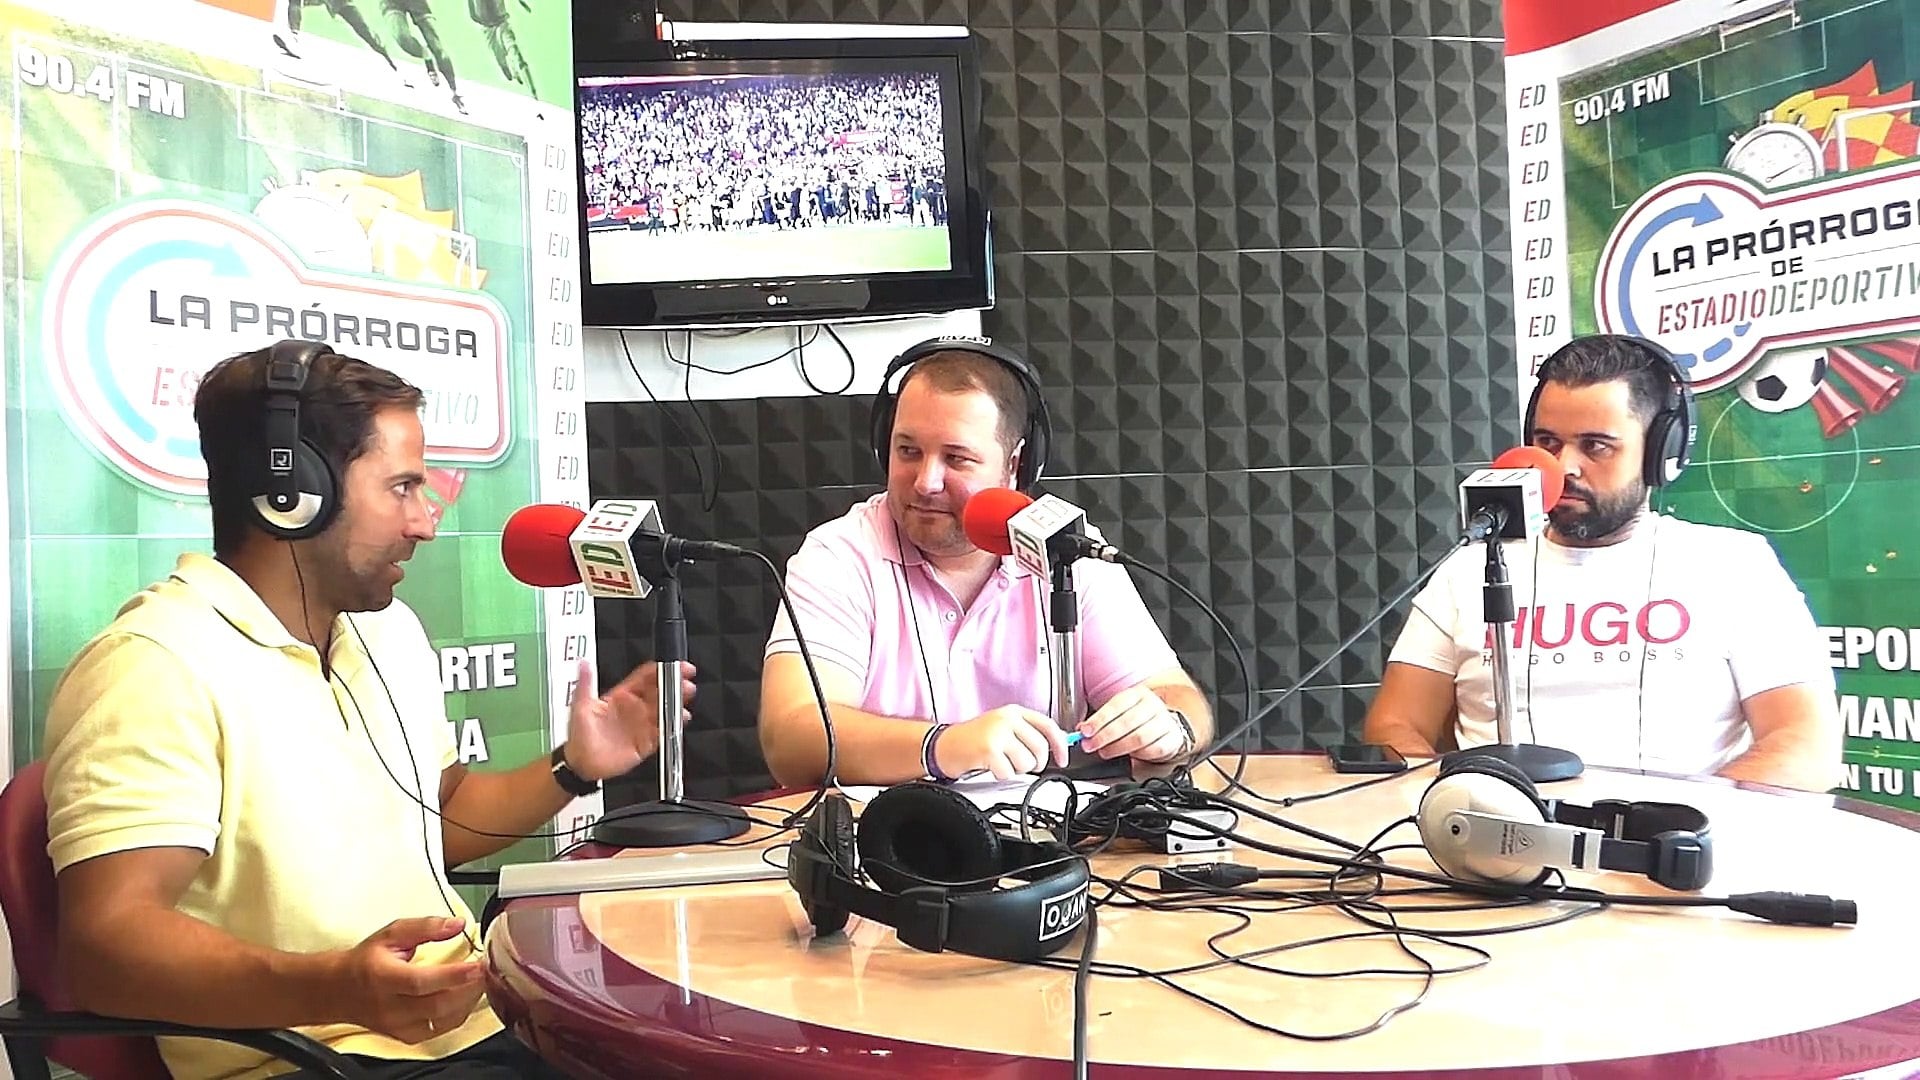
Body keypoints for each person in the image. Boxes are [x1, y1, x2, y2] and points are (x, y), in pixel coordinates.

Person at [42, 341, 687, 1079]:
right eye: (402, 488)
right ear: (291, 494)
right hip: (313, 1064)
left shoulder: (385, 631)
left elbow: (442, 819)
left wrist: (574, 767)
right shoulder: (153, 665)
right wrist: (335, 987)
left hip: (482, 1029)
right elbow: (105, 949)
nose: (425, 523)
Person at [1362, 334, 1842, 792]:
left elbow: (1804, 747)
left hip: (1668, 843)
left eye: (1596, 446)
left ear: (1660, 453)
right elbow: (1395, 725)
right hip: (1492, 835)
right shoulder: (1466, 571)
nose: (1564, 467)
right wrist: (1443, 802)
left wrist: (1674, 822)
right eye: (1548, 443)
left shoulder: (1734, 568)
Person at [757, 337, 1213, 787]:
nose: (926, 482)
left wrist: (1170, 729)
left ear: (1015, 465)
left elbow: (1178, 698)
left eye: (957, 458)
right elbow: (790, 739)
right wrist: (945, 746)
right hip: (887, 831)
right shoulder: (838, 557)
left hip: (1043, 830)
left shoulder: (1069, 550)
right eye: (908, 451)